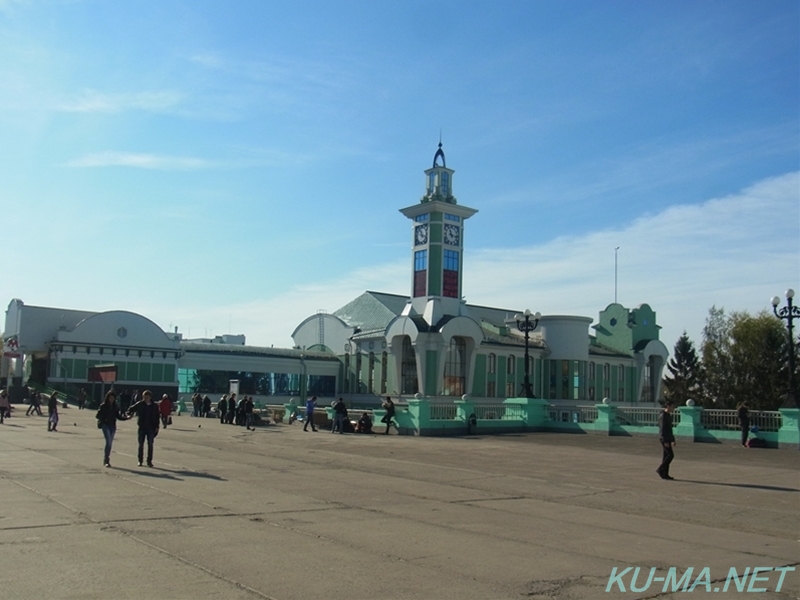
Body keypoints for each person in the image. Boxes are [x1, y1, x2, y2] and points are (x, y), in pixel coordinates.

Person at [127, 390, 160, 467]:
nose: (145, 399)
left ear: (150, 397)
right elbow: (131, 409)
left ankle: (149, 461)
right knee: (141, 444)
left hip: (151, 427)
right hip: (142, 427)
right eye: (144, 397)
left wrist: (157, 427)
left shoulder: (154, 406)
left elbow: (157, 416)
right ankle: (140, 460)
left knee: (150, 444)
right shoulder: (140, 404)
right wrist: (129, 414)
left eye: (147, 397)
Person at [96, 390, 128, 467]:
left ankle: (106, 458)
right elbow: (98, 415)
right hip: (105, 425)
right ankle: (106, 459)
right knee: (108, 441)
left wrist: (126, 418)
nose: (111, 400)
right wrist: (104, 419)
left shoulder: (115, 406)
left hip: (112, 425)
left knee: (110, 443)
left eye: (113, 398)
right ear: (108, 398)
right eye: (110, 398)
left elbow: (118, 416)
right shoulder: (103, 406)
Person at [656, 401, 676, 480]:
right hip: (664, 438)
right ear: (668, 406)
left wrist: (672, 440)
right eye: (672, 407)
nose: (673, 408)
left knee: (666, 456)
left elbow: (669, 429)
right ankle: (660, 469)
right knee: (670, 455)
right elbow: (663, 429)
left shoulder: (668, 415)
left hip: (667, 438)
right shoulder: (663, 416)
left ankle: (665, 474)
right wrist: (665, 441)